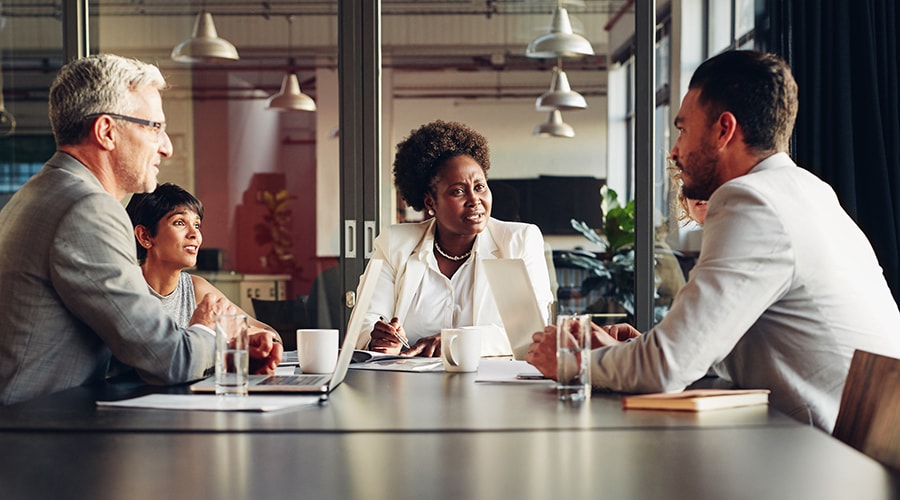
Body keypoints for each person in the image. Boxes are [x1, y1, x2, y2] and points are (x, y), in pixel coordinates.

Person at [526, 50, 900, 432]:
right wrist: (627, 352)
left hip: (824, 463)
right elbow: (703, 352)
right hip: (851, 448)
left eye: (683, 129)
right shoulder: (808, 192)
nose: (675, 149)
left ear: (724, 130)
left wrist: (573, 363)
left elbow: (667, 367)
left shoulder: (753, 200)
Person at [0, 54, 281, 406]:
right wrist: (210, 330)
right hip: (40, 437)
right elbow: (168, 360)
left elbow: (130, 348)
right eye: (154, 127)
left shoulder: (42, 192)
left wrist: (225, 345)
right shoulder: (87, 208)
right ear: (106, 132)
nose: (166, 146)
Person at [355, 120, 554, 357]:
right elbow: (363, 323)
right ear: (430, 202)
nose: (474, 200)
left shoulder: (519, 241)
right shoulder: (395, 243)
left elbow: (532, 333)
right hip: (408, 384)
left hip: (490, 386)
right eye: (458, 191)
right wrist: (380, 339)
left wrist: (453, 341)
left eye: (480, 187)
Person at [126, 183, 278, 337]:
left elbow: (271, 334)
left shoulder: (195, 288)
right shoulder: (125, 290)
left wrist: (243, 334)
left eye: (197, 225)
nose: (194, 234)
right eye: (179, 222)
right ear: (145, 236)